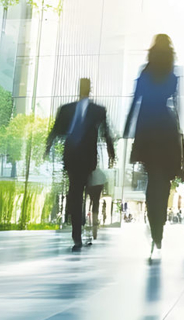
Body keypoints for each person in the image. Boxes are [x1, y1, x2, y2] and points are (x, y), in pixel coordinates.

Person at [124, 34, 183, 256]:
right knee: (164, 180)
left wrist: (127, 127)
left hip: (147, 127)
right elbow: (177, 104)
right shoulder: (172, 73)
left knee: (151, 180)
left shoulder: (145, 72)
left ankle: (155, 225)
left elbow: (135, 100)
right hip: (166, 128)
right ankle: (160, 228)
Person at [46, 78, 116, 251]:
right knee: (76, 195)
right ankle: (77, 235)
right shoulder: (67, 109)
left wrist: (111, 151)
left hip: (87, 160)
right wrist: (48, 146)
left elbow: (105, 132)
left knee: (79, 194)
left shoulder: (98, 110)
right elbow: (56, 129)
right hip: (72, 158)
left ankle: (78, 233)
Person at [87, 166, 108, 244]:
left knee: (92, 203)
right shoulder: (100, 173)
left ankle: (92, 222)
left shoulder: (90, 172)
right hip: (97, 188)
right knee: (96, 204)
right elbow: (103, 179)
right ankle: (94, 226)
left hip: (91, 187)